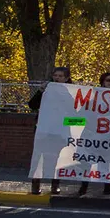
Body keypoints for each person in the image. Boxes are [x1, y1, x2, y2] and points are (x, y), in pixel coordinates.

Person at [29, 67, 72, 195]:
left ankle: (55, 184)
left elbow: (76, 112)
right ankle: (35, 184)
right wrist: (41, 90)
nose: (57, 78)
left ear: (66, 78)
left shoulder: (71, 91)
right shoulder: (46, 90)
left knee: (57, 159)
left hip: (60, 131)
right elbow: (32, 105)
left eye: (60, 76)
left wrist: (77, 126)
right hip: (44, 129)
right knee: (38, 157)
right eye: (55, 75)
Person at [78, 72, 110, 196]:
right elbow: (80, 116)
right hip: (91, 135)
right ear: (102, 82)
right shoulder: (92, 99)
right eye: (108, 80)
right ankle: (84, 186)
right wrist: (63, 123)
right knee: (86, 161)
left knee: (106, 162)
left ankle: (107, 188)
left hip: (109, 136)